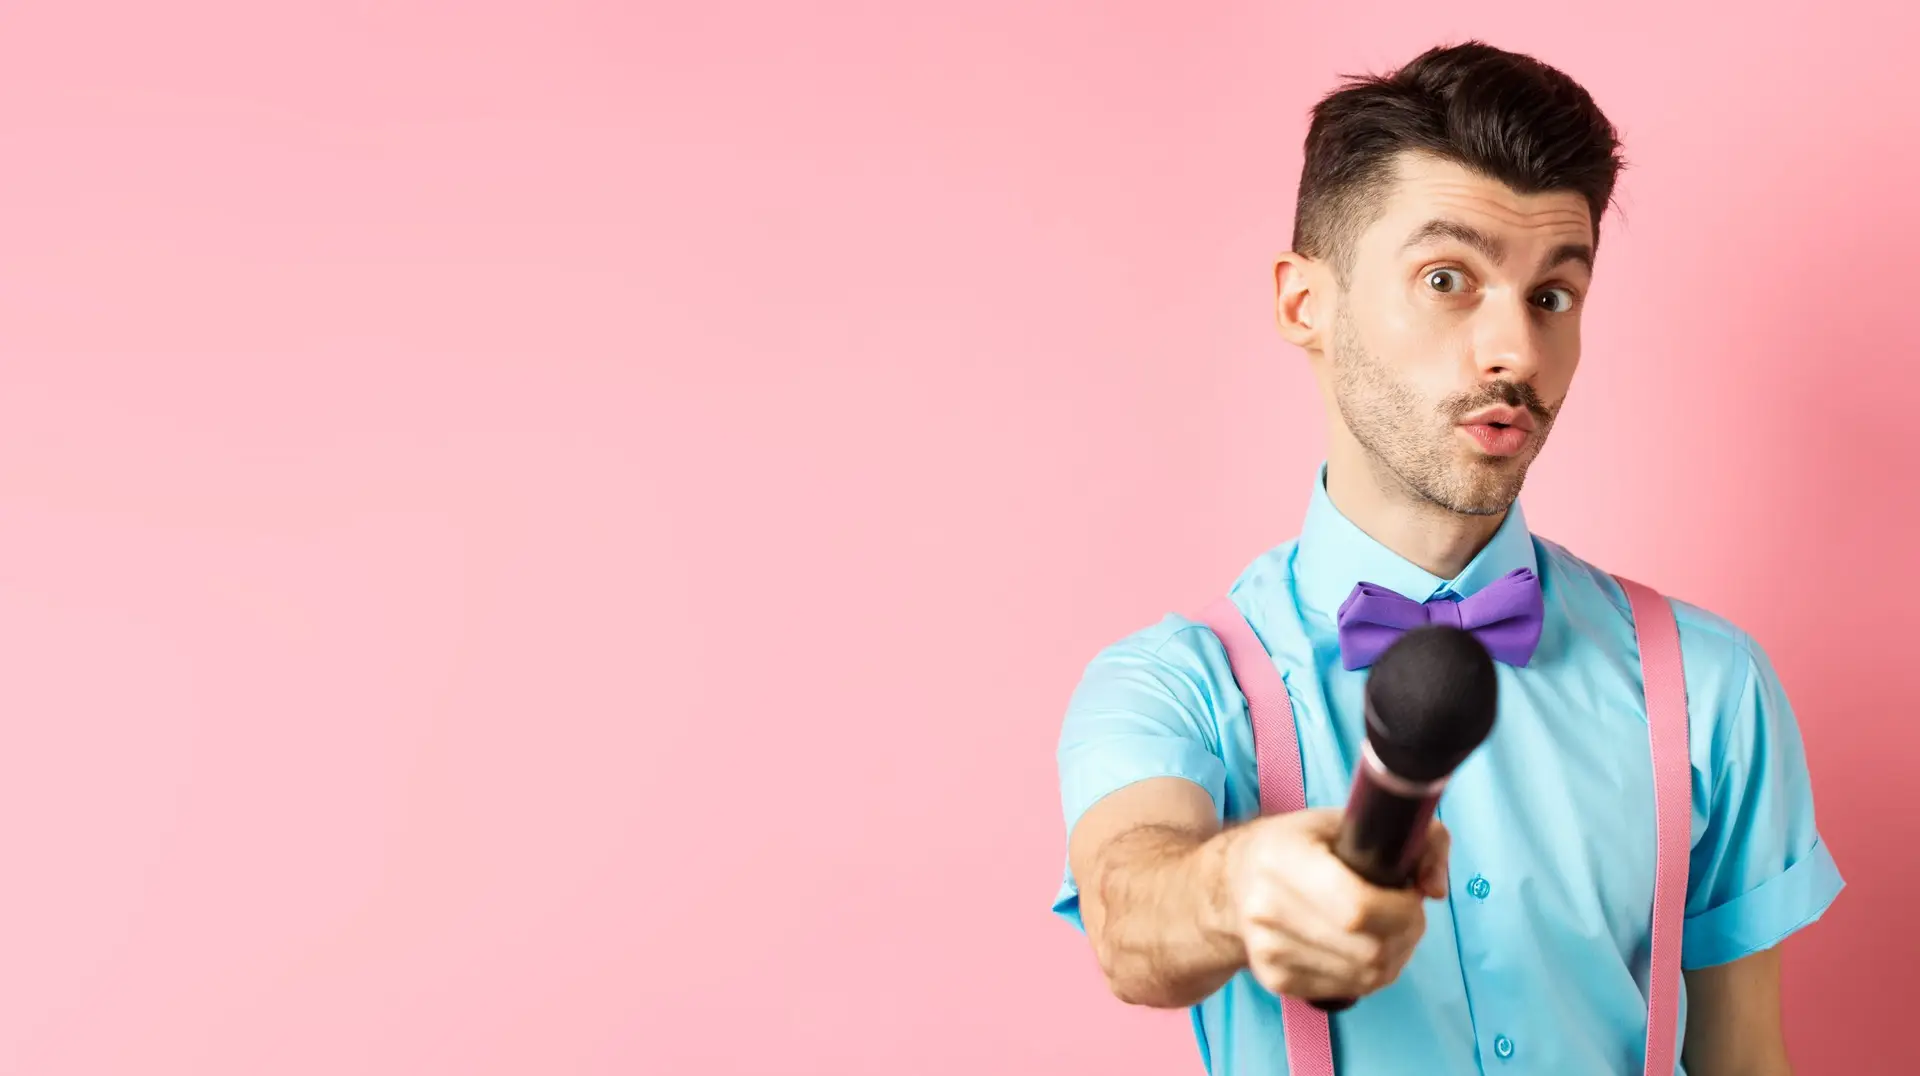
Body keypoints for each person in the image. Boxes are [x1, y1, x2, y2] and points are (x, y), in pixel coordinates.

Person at [1050, 40, 1843, 1075]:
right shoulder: (1174, 683)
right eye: (1447, 279)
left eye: (1553, 294)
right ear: (1305, 304)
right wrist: (1236, 885)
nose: (1514, 348)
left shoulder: (1712, 684)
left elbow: (1746, 1060)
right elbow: (1131, 910)